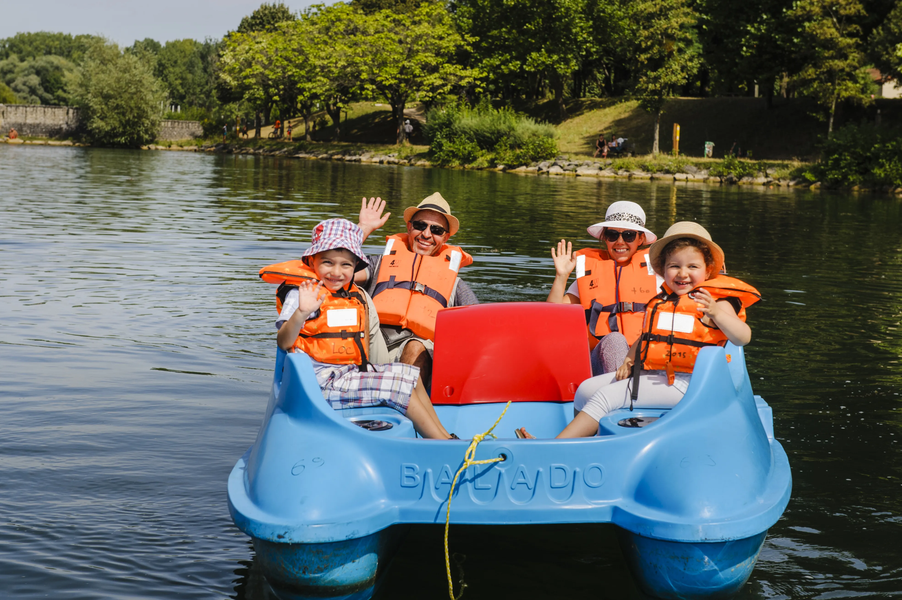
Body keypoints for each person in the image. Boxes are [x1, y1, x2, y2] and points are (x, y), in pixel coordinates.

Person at [520, 222, 759, 439]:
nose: (683, 273)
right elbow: (647, 337)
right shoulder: (664, 300)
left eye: (692, 266)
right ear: (664, 270)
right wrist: (627, 360)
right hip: (661, 376)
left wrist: (717, 313)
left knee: (607, 397)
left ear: (708, 271)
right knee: (586, 390)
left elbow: (742, 337)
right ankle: (585, 444)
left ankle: (555, 448)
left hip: (693, 385)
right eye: (674, 266)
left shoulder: (716, 302)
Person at [266, 218, 454, 440]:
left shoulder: (350, 293)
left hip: (346, 374)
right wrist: (302, 312)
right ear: (312, 261)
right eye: (327, 262)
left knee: (410, 375)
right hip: (319, 385)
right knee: (398, 385)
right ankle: (442, 444)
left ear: (355, 266)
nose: (336, 272)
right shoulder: (302, 293)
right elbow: (284, 342)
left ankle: (445, 437)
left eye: (345, 265)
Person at [355, 193, 478, 385]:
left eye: (436, 230)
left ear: (445, 237)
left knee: (416, 346)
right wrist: (363, 229)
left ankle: (404, 405)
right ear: (409, 227)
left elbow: (479, 323)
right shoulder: (377, 264)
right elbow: (337, 272)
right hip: (374, 343)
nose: (426, 235)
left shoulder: (456, 286)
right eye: (420, 226)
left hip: (415, 352)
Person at [546, 201, 659, 375]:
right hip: (600, 364)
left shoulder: (660, 277)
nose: (620, 242)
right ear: (605, 238)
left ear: (641, 239)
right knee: (614, 340)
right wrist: (561, 277)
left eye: (628, 235)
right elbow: (552, 317)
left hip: (644, 361)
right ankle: (619, 394)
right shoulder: (589, 277)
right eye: (612, 235)